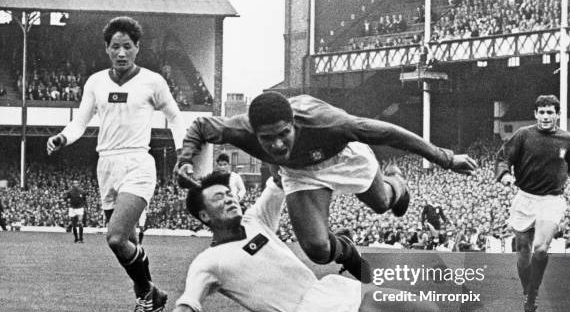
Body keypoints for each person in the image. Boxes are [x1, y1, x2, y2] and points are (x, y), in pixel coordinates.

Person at [132, 171, 545, 312]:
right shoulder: (207, 264)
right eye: (219, 199)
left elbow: (282, 177)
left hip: (333, 291)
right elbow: (187, 307)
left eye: (229, 193)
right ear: (205, 215)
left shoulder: (258, 221)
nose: (230, 200)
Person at [177, 91, 477, 284]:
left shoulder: (330, 124)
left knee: (382, 203)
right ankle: (348, 253)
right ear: (254, 133)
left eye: (284, 134)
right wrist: (185, 160)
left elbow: (392, 134)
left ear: (294, 123)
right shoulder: (239, 129)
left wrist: (447, 159)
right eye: (268, 139)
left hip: (343, 158)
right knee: (318, 250)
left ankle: (396, 184)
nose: (278, 144)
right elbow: (200, 126)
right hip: (300, 173)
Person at [46, 16, 186, 312]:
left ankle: (147, 293)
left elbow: (176, 117)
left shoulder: (152, 81)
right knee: (129, 241)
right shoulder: (96, 82)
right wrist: (61, 138)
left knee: (115, 238)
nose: (121, 52)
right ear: (107, 49)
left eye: (127, 46)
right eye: (115, 47)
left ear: (137, 48)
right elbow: (80, 123)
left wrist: (183, 153)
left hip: (137, 163)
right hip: (105, 165)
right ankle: (153, 296)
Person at [495, 95, 570, 312]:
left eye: (550, 112)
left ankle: (533, 296)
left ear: (557, 114)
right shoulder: (523, 136)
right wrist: (505, 175)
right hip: (525, 198)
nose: (546, 116)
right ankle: (527, 289)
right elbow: (503, 158)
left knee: (540, 247)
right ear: (536, 114)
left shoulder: (567, 140)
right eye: (542, 112)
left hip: (551, 200)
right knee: (523, 251)